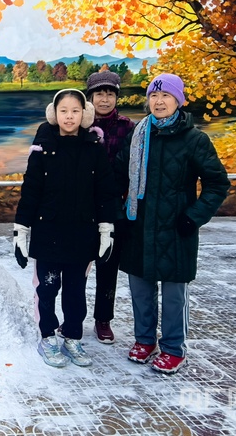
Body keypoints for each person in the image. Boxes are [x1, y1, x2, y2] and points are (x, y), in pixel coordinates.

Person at [117, 73, 229, 374]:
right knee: (140, 289)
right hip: (138, 224)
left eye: (165, 95)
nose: (159, 101)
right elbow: (118, 175)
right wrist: (119, 213)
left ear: (179, 100)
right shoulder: (138, 135)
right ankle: (144, 340)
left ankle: (173, 348)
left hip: (176, 227)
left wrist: (194, 216)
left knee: (174, 294)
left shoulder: (195, 140)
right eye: (153, 96)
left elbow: (217, 183)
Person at [13, 89, 118, 368]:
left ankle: (72, 336)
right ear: (54, 113)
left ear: (85, 114)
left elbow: (105, 192)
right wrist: (21, 231)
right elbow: (30, 192)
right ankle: (47, 336)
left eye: (75, 111)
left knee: (75, 291)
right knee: (47, 289)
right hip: (48, 234)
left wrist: (106, 230)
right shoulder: (42, 148)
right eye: (64, 111)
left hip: (82, 235)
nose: (69, 116)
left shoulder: (94, 148)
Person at [85, 70, 136, 344]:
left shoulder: (128, 127)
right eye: (99, 94)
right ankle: (73, 315)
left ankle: (103, 319)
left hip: (114, 205)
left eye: (109, 94)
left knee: (108, 264)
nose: (104, 99)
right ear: (90, 97)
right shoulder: (79, 124)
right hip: (82, 205)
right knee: (77, 264)